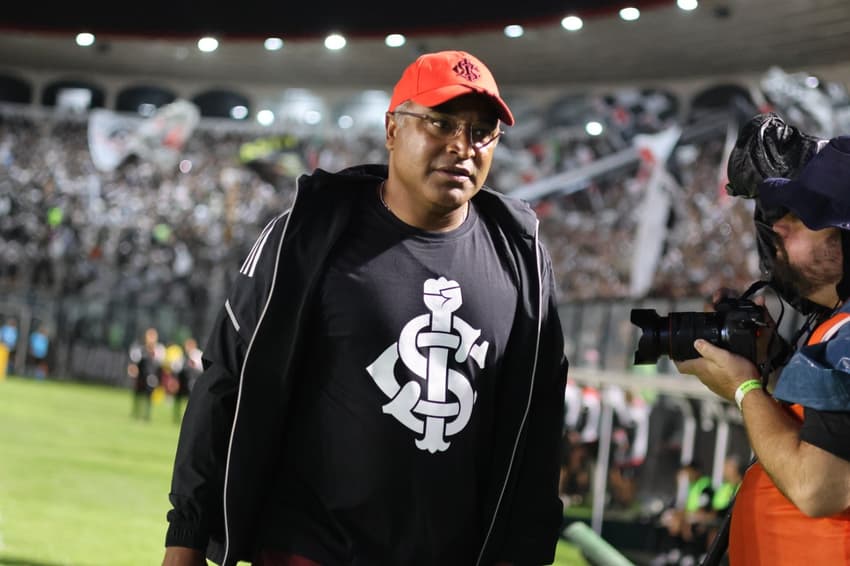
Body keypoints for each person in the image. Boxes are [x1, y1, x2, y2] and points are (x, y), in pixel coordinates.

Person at [163, 50, 569, 566]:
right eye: (441, 122)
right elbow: (224, 384)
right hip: (306, 553)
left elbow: (539, 437)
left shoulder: (524, 263)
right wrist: (186, 541)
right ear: (392, 129)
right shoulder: (304, 239)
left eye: (481, 130)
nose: (462, 146)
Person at [675, 122, 850, 564]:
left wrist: (744, 388)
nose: (779, 227)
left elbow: (818, 487)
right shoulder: (834, 325)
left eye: (805, 216)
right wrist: (770, 361)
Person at [129, 326, 164, 421]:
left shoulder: (159, 350)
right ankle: (136, 412)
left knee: (149, 396)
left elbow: (160, 365)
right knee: (138, 393)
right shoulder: (140, 349)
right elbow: (134, 362)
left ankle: (146, 415)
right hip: (141, 376)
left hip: (152, 377)